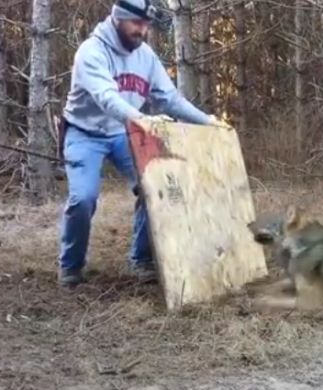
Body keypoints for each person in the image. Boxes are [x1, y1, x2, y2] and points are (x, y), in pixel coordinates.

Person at [57, 0, 229, 287]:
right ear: (118, 18)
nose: (143, 30)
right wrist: (141, 120)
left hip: (125, 132)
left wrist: (207, 120)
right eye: (136, 23)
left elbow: (170, 99)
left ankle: (141, 260)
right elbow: (106, 98)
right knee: (83, 199)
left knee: (155, 186)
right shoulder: (91, 52)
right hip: (84, 132)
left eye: (146, 24)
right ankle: (71, 266)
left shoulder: (145, 56)